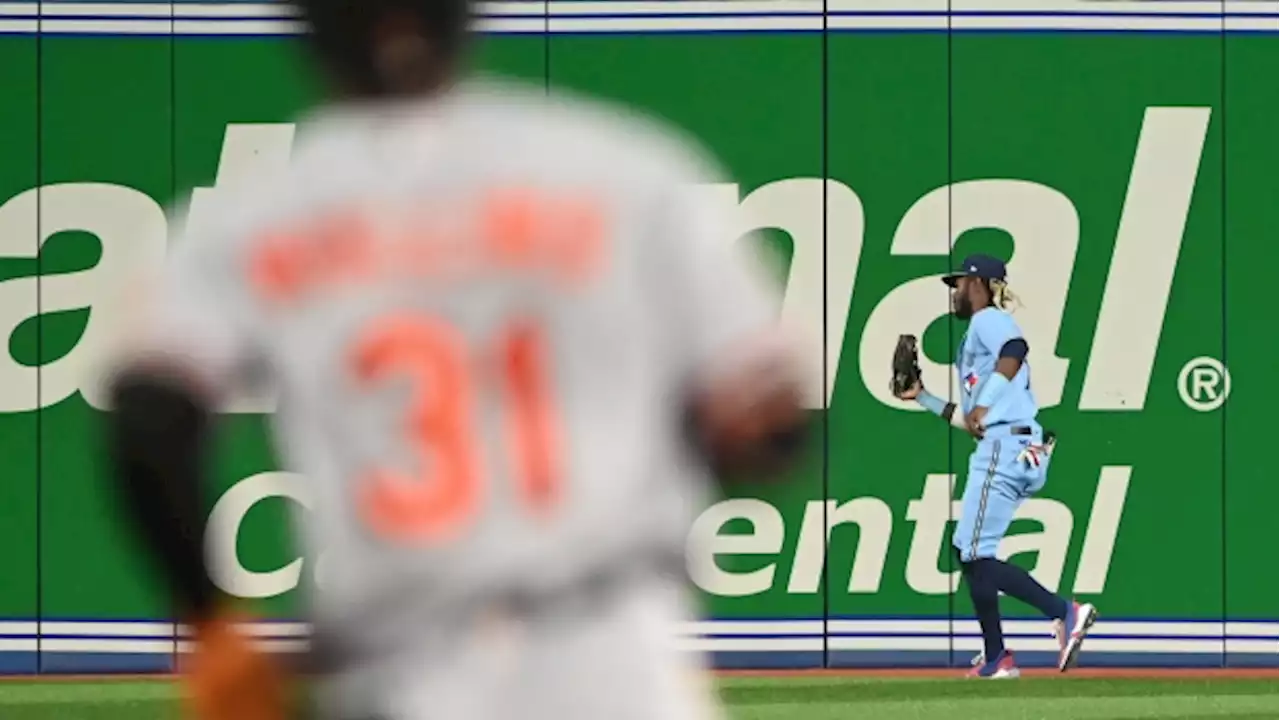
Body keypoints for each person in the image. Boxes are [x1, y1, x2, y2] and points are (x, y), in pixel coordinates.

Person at [99, 2, 808, 718]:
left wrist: (211, 618)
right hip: (611, 652)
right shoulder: (628, 170)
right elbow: (769, 423)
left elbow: (149, 424)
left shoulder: (246, 218)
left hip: (395, 670)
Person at [894, 253, 1097, 679]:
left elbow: (1016, 350)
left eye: (961, 283)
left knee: (971, 551)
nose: (956, 291)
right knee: (970, 551)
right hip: (1012, 445)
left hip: (1006, 448)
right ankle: (996, 657)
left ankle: (1063, 612)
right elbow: (973, 422)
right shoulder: (976, 340)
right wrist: (923, 397)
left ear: (982, 284)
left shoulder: (987, 319)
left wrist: (985, 405)